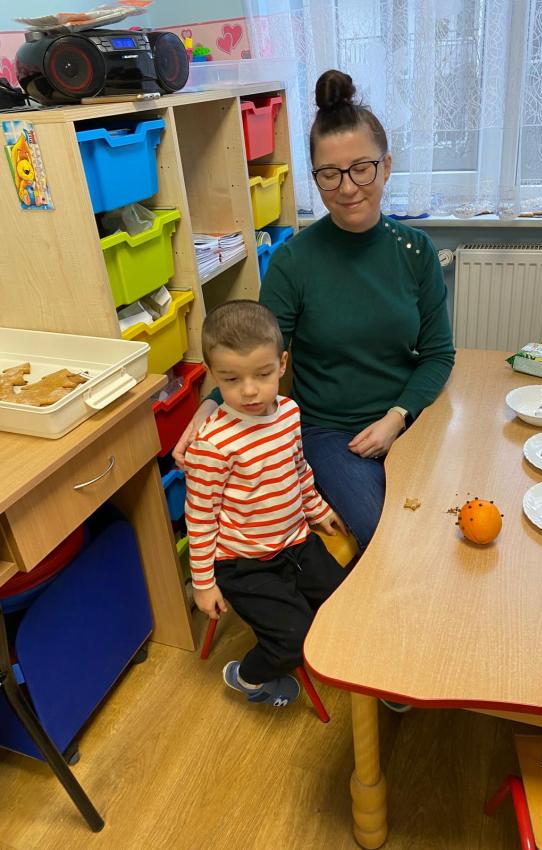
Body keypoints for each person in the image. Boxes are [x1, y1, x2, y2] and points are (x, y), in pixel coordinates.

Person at [175, 68, 455, 551]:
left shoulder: (415, 251)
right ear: (316, 178)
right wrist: (209, 404)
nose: (347, 188)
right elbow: (255, 353)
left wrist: (397, 416)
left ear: (386, 166)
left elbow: (438, 355)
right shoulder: (293, 261)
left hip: (408, 418)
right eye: (330, 174)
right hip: (331, 434)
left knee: (447, 516)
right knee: (387, 537)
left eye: (361, 168)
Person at [185, 300, 347, 708]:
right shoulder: (212, 444)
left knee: (345, 603)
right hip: (244, 563)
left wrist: (318, 509)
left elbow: (299, 468)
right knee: (294, 640)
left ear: (282, 363)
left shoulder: (289, 412)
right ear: (212, 375)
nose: (250, 390)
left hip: (295, 543)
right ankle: (246, 676)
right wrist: (203, 583)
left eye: (262, 374)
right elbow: (200, 519)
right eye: (231, 379)